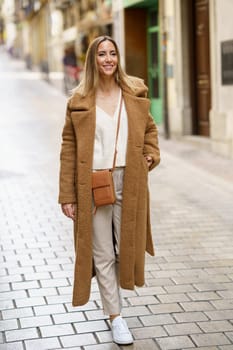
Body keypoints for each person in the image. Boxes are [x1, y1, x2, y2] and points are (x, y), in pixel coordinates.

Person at [58, 36, 160, 345]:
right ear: (92, 60)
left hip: (129, 181)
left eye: (112, 53)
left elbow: (150, 130)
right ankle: (116, 317)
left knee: (123, 248)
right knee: (101, 252)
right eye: (101, 54)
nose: (108, 59)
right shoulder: (78, 100)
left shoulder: (134, 90)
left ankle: (114, 304)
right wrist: (67, 194)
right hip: (91, 183)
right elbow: (69, 147)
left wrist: (150, 154)